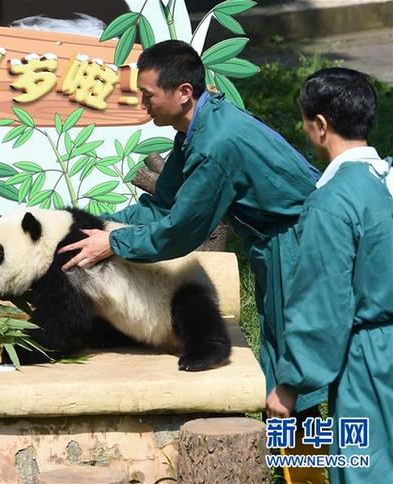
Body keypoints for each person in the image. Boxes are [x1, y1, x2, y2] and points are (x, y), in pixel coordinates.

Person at [58, 40, 327, 413]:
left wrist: (114, 243)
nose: (143, 104)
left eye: (148, 95)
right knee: (281, 354)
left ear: (184, 92)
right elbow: (162, 204)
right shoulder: (197, 128)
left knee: (294, 369)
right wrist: (95, 224)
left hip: (301, 241)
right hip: (277, 240)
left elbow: (182, 230)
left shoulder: (215, 146)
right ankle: (293, 460)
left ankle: (308, 462)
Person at [266, 67, 393, 482]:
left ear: (320, 126)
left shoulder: (333, 202)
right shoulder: (388, 179)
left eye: (304, 123)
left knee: (367, 470)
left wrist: (291, 382)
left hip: (370, 360)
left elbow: (323, 305)